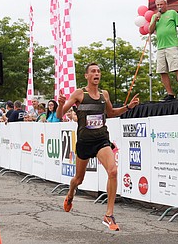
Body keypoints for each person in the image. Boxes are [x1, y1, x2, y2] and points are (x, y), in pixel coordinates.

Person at [56, 62, 140, 231]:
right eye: (93, 71)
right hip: (84, 142)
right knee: (78, 179)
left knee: (113, 171)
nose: (96, 74)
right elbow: (60, 115)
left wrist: (128, 107)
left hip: (101, 139)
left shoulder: (104, 94)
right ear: (86, 76)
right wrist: (60, 104)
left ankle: (108, 215)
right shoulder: (79, 94)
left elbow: (111, 113)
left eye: (98, 71)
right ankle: (71, 193)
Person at [149, 0, 178, 101]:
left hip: (172, 45)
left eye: (161, 4)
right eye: (157, 5)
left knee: (177, 67)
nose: (159, 7)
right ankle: (170, 93)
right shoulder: (154, 16)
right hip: (160, 47)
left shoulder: (172, 13)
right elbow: (150, 30)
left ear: (165, 4)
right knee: (162, 70)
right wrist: (155, 19)